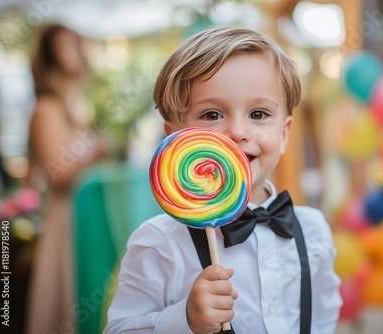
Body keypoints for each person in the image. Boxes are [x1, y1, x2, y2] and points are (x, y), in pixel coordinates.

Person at [105, 27, 341, 334]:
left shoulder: (313, 231)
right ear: (174, 138)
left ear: (284, 134)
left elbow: (324, 316)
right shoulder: (158, 244)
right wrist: (185, 320)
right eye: (212, 114)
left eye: (258, 114)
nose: (238, 131)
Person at [25, 23, 107, 334]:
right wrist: (94, 151)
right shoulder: (45, 109)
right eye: (66, 45)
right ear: (50, 57)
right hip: (64, 219)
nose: (76, 52)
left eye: (76, 43)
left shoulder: (73, 109)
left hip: (82, 216)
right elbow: (58, 175)